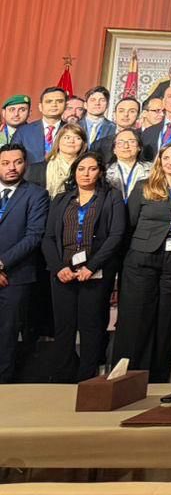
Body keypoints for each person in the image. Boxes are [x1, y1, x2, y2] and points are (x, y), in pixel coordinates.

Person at [41, 152, 123, 381]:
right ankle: (63, 378)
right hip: (64, 272)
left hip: (94, 272)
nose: (86, 174)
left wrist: (92, 266)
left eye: (92, 169)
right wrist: (58, 268)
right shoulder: (61, 199)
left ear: (100, 172)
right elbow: (48, 238)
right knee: (64, 328)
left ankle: (87, 379)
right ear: (74, 172)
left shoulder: (111, 197)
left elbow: (116, 235)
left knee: (91, 327)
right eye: (81, 169)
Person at [114, 142, 171, 381]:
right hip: (142, 257)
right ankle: (130, 377)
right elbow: (129, 223)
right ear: (160, 161)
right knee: (138, 319)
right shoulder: (144, 186)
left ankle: (158, 378)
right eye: (166, 157)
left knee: (166, 319)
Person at [0, 142, 48, 383]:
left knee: (7, 336)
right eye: (5, 163)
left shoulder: (37, 194)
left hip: (16, 277)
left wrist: (2, 264)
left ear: (25, 164)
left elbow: (34, 236)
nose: (12, 167)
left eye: (17, 162)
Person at [29, 123, 88, 198]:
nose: (71, 141)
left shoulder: (87, 170)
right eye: (67, 137)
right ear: (58, 140)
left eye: (77, 138)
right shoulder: (36, 169)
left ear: (83, 144)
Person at [16, 87, 68, 164]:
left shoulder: (71, 130)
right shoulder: (23, 131)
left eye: (59, 101)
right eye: (49, 101)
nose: (54, 105)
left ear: (66, 106)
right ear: (40, 107)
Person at [107, 129, 149, 202]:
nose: (126, 146)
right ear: (114, 149)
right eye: (120, 142)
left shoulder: (152, 170)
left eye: (131, 142)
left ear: (139, 147)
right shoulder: (105, 171)